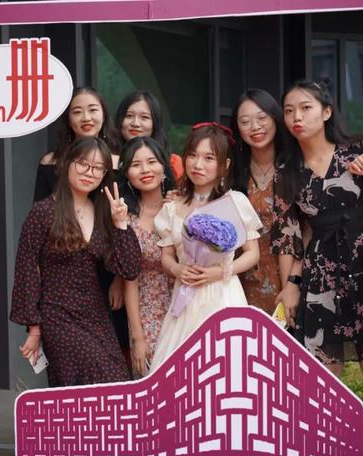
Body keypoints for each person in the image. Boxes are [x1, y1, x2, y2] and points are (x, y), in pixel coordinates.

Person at [11, 137, 141, 387]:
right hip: (57, 315)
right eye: (83, 164)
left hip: (96, 315)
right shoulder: (43, 212)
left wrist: (121, 224)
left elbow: (130, 268)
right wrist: (34, 328)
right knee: (90, 380)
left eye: (98, 168)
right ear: (67, 163)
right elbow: (26, 269)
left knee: (116, 380)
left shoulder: (104, 212)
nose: (89, 173)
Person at [150, 123, 262, 370]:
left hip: (223, 294)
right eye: (193, 155)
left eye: (209, 158)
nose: (198, 165)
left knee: (227, 368)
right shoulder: (172, 208)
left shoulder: (235, 202)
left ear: (225, 165)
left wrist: (221, 271)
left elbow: (253, 253)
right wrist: (178, 270)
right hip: (184, 295)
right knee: (180, 370)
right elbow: (167, 256)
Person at [281, 78, 363, 377]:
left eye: (306, 108)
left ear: (326, 112)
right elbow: (297, 234)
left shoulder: (359, 152)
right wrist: (292, 284)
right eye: (289, 111)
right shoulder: (287, 172)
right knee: (323, 378)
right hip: (321, 272)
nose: (297, 117)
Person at [229, 89, 303, 315]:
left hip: (291, 279)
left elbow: (311, 229)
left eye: (262, 118)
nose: (255, 127)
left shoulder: (297, 166)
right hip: (241, 280)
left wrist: (294, 282)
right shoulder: (232, 172)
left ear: (276, 119)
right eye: (245, 121)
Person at [118, 137, 176, 376]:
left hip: (186, 306)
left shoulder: (181, 206)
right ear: (127, 174)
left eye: (151, 162)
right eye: (136, 164)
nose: (145, 170)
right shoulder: (125, 219)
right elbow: (129, 281)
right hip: (146, 311)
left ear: (164, 166)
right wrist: (138, 337)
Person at [33, 86, 118, 202]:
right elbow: (39, 210)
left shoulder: (118, 164)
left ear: (104, 116)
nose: (86, 118)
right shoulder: (50, 162)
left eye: (93, 110)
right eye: (77, 112)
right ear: (68, 120)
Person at [114, 90, 184, 182]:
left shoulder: (173, 163)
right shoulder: (106, 159)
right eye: (129, 116)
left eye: (144, 117)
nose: (135, 123)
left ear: (155, 123)